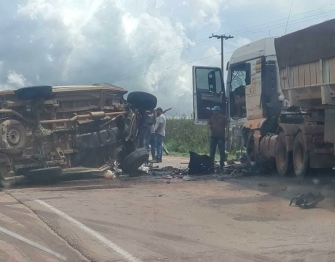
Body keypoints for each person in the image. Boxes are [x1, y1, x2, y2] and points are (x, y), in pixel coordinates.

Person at [208, 105, 227, 170]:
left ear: (218, 111)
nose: (213, 112)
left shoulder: (223, 117)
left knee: (222, 151)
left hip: (220, 137)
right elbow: (209, 124)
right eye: (213, 111)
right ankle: (211, 164)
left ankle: (221, 164)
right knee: (212, 151)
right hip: (213, 137)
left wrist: (226, 135)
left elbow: (226, 126)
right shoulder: (212, 117)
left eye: (214, 111)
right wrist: (210, 126)